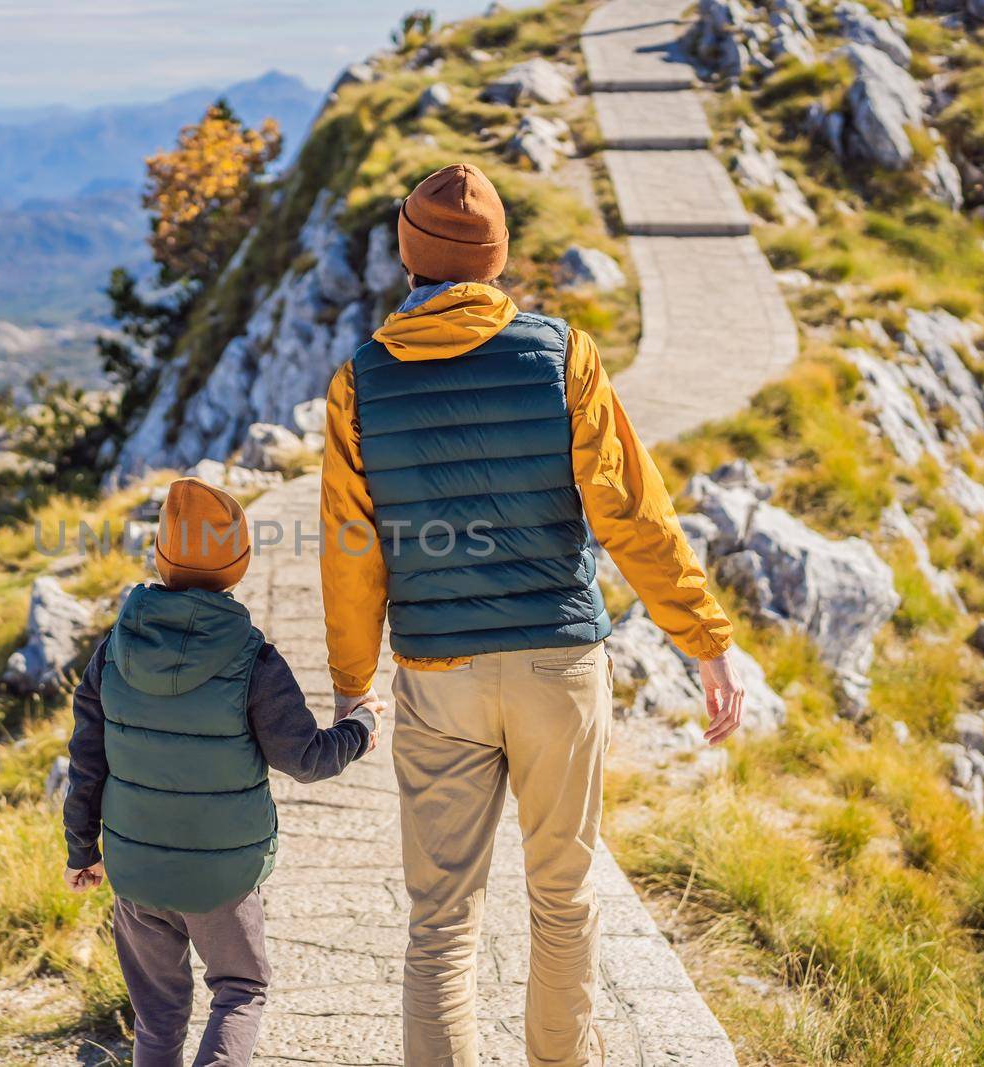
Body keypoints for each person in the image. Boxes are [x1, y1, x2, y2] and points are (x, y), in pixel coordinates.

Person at [318, 163, 745, 1067]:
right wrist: (703, 638)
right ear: (496, 259)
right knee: (565, 897)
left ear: (409, 257)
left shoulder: (360, 381)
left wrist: (355, 684)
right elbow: (631, 510)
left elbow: (351, 553)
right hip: (558, 666)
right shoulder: (560, 353)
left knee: (440, 922)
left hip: (438, 678)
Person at [63, 476, 385, 1067]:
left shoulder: (113, 648)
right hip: (224, 878)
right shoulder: (253, 656)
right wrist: (360, 728)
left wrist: (81, 848)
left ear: (161, 560)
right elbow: (305, 758)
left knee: (156, 1018)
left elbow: (87, 758)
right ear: (238, 568)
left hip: (136, 874)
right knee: (239, 991)